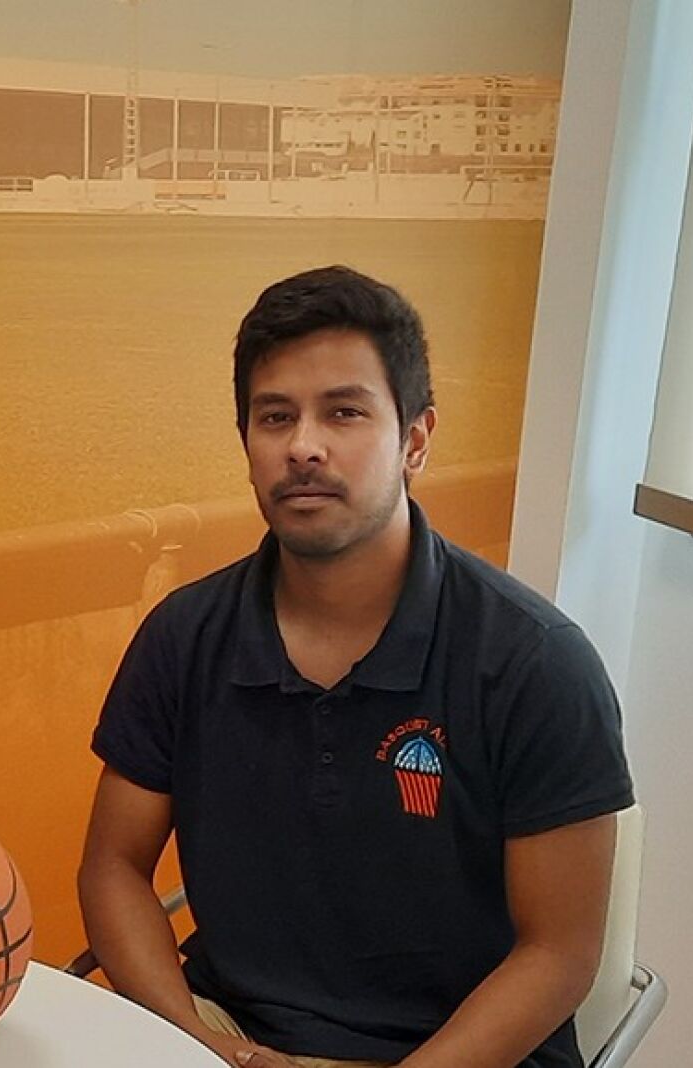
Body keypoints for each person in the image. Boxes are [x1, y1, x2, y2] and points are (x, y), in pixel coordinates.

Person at [78, 266, 634, 1068]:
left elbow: (559, 953)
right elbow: (114, 868)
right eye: (275, 416)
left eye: (344, 412)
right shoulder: (184, 637)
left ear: (415, 440)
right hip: (232, 1035)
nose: (303, 446)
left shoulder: (535, 661)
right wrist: (200, 1043)